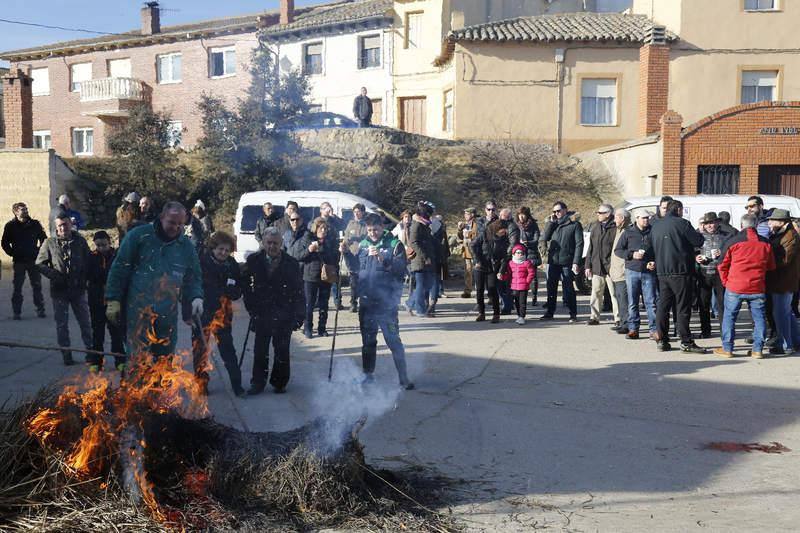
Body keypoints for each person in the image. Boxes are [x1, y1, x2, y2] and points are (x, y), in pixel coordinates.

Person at [105, 202, 203, 359]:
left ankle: (161, 384)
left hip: (167, 313)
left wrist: (196, 297)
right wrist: (113, 299)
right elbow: (120, 268)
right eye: (172, 222)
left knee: (164, 360)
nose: (176, 227)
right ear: (162, 217)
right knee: (138, 359)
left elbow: (193, 278)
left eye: (180, 224)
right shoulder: (139, 236)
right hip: (139, 309)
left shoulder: (185, 247)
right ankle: (135, 383)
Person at [344, 213, 414, 389]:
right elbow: (355, 269)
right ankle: (368, 375)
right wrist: (346, 254)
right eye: (369, 230)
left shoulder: (394, 244)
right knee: (368, 342)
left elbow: (400, 271)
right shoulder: (363, 245)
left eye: (375, 229)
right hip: (367, 302)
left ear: (382, 227)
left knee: (393, 340)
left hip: (387, 304)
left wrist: (383, 260)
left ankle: (403, 377)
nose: (372, 233)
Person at [242, 228, 305, 395]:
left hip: (284, 313)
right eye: (269, 242)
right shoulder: (254, 260)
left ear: (281, 244)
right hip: (261, 312)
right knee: (260, 350)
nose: (272, 246)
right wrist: (251, 305)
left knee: (282, 350)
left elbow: (299, 291)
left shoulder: (291, 263)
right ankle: (258, 383)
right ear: (263, 242)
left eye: (275, 243)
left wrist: (300, 315)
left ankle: (280, 382)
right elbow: (245, 284)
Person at [35, 214, 93, 366]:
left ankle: (92, 353)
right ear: (56, 227)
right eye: (59, 225)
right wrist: (54, 275)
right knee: (62, 325)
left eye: (65, 224)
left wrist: (85, 278)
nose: (63, 228)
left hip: (78, 290)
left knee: (85, 323)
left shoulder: (80, 241)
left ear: (70, 224)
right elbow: (40, 264)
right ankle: (66, 355)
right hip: (59, 291)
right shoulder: (50, 243)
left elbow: (88, 261)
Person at [191, 231, 244, 396]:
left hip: (223, 315)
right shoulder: (202, 262)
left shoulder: (232, 265)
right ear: (213, 248)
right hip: (203, 313)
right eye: (220, 249)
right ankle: (201, 384)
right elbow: (192, 287)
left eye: (227, 250)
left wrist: (231, 291)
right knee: (200, 350)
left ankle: (237, 385)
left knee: (228, 350)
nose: (223, 253)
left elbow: (237, 291)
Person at [715, 214, 775, 359]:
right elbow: (771, 266)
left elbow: (722, 265)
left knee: (729, 317)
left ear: (742, 225)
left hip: (735, 286)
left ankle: (727, 349)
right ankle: (757, 350)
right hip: (757, 286)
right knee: (759, 318)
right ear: (755, 225)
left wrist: (725, 282)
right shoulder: (766, 243)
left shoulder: (733, 241)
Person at [650, 200, 705, 353]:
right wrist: (698, 232)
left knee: (663, 306)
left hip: (662, 272)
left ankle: (662, 339)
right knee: (682, 308)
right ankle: (686, 341)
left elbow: (650, 246)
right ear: (679, 209)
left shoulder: (656, 225)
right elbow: (698, 241)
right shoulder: (683, 223)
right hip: (681, 271)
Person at [86, 231, 126, 373]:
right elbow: (89, 275)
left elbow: (118, 274)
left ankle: (120, 360)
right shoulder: (91, 257)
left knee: (116, 332)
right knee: (97, 332)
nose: (101, 248)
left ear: (109, 243)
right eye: (98, 245)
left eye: (104, 245)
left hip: (113, 301)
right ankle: (96, 361)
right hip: (96, 300)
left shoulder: (117, 256)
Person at [615, 209, 657, 339]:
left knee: (651, 302)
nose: (646, 220)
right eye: (643, 218)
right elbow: (618, 250)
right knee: (633, 301)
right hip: (632, 270)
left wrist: (654, 262)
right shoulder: (628, 232)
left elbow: (659, 249)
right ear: (637, 218)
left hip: (649, 271)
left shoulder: (653, 231)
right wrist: (632, 255)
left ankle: (653, 329)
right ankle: (633, 328)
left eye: (647, 218)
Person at [539, 201, 583, 323]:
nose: (556, 213)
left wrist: (576, 262)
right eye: (554, 211)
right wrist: (550, 224)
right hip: (553, 261)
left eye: (558, 211)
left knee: (568, 288)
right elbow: (544, 238)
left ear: (565, 210)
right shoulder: (553, 224)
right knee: (551, 287)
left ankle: (573, 314)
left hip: (567, 261)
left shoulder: (574, 224)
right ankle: (550, 312)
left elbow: (579, 244)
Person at [2, 202, 47, 319]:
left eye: (26, 209)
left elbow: (44, 239)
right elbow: (4, 243)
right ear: (16, 212)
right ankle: (17, 312)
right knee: (17, 287)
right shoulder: (10, 226)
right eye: (23, 210)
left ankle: (40, 309)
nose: (26, 211)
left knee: (37, 285)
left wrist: (39, 252)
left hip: (33, 260)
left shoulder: (35, 224)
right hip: (19, 261)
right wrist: (13, 253)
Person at [297, 217, 340, 338]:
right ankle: (308, 328)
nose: (324, 230)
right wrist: (310, 250)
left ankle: (322, 328)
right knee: (309, 304)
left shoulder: (330, 240)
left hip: (326, 275)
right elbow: (299, 256)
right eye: (321, 228)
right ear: (316, 228)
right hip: (310, 276)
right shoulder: (307, 238)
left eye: (326, 228)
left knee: (324, 303)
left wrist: (333, 252)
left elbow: (335, 256)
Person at [765, 209, 800, 355]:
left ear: (782, 222)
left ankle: (787, 346)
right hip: (779, 280)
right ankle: (797, 341)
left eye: (772, 220)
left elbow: (784, 260)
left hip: (784, 281)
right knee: (786, 313)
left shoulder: (790, 236)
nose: (769, 222)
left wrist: (766, 261)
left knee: (781, 315)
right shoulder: (779, 234)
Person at [585, 203, 619, 326]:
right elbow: (591, 247)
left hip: (611, 267)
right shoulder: (595, 227)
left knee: (614, 294)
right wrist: (587, 265)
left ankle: (618, 318)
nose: (598, 215)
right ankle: (594, 316)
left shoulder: (616, 227)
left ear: (608, 214)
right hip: (597, 266)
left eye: (600, 213)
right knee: (596, 292)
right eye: (598, 213)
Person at [695, 212, 727, 339]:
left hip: (720, 274)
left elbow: (731, 252)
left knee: (722, 304)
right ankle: (705, 330)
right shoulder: (698, 237)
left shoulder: (725, 236)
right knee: (703, 304)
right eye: (707, 223)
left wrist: (722, 252)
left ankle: (724, 331)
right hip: (703, 273)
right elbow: (693, 250)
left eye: (712, 222)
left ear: (717, 223)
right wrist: (696, 257)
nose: (710, 225)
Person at [471, 218, 508, 323]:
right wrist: (477, 260)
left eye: (505, 231)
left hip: (492, 267)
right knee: (479, 290)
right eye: (503, 230)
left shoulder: (504, 239)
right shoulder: (485, 233)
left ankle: (496, 314)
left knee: (492, 290)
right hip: (480, 265)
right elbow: (473, 245)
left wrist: (501, 270)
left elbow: (504, 257)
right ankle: (481, 313)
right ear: (497, 228)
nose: (504, 232)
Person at [408, 202, 436, 317]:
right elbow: (414, 242)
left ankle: (409, 303)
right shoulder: (417, 225)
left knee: (427, 284)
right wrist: (425, 257)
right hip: (419, 260)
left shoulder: (424, 224)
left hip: (427, 258)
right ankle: (420, 309)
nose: (430, 217)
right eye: (428, 214)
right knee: (421, 285)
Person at [501, 244, 536, 325]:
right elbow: (509, 274)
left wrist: (527, 281)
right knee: (516, 302)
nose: (520, 254)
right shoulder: (511, 263)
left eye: (521, 253)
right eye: (518, 252)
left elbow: (531, 273)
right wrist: (503, 277)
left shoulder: (527, 263)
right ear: (514, 254)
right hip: (514, 286)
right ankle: (519, 315)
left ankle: (522, 316)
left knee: (522, 302)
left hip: (523, 286)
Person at [609, 208, 631, 334]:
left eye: (616, 217)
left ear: (622, 219)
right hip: (615, 272)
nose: (614, 219)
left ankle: (626, 324)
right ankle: (622, 322)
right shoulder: (618, 231)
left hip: (623, 272)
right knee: (619, 298)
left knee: (624, 300)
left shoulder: (627, 232)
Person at [513, 206, 541, 305]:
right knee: (518, 276)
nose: (521, 217)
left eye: (523, 215)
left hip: (531, 253)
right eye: (520, 215)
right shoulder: (515, 225)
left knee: (533, 277)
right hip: (518, 253)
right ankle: (518, 298)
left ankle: (534, 296)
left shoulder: (533, 225)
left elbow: (537, 239)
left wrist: (527, 242)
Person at [344, 203, 369, 313]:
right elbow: (346, 237)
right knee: (353, 281)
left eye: (359, 211)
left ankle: (363, 301)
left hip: (364, 255)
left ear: (363, 212)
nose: (357, 213)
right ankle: (353, 302)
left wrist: (362, 242)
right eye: (355, 212)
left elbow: (369, 238)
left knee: (363, 280)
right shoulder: (350, 224)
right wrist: (345, 244)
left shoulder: (367, 224)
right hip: (352, 255)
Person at [456, 208, 479, 299]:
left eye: (467, 214)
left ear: (472, 215)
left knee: (478, 271)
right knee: (468, 271)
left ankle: (479, 290)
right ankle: (467, 290)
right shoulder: (464, 224)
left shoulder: (477, 224)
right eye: (465, 214)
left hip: (476, 251)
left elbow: (477, 235)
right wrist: (459, 229)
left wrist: (469, 235)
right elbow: (460, 237)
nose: (465, 216)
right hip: (466, 250)